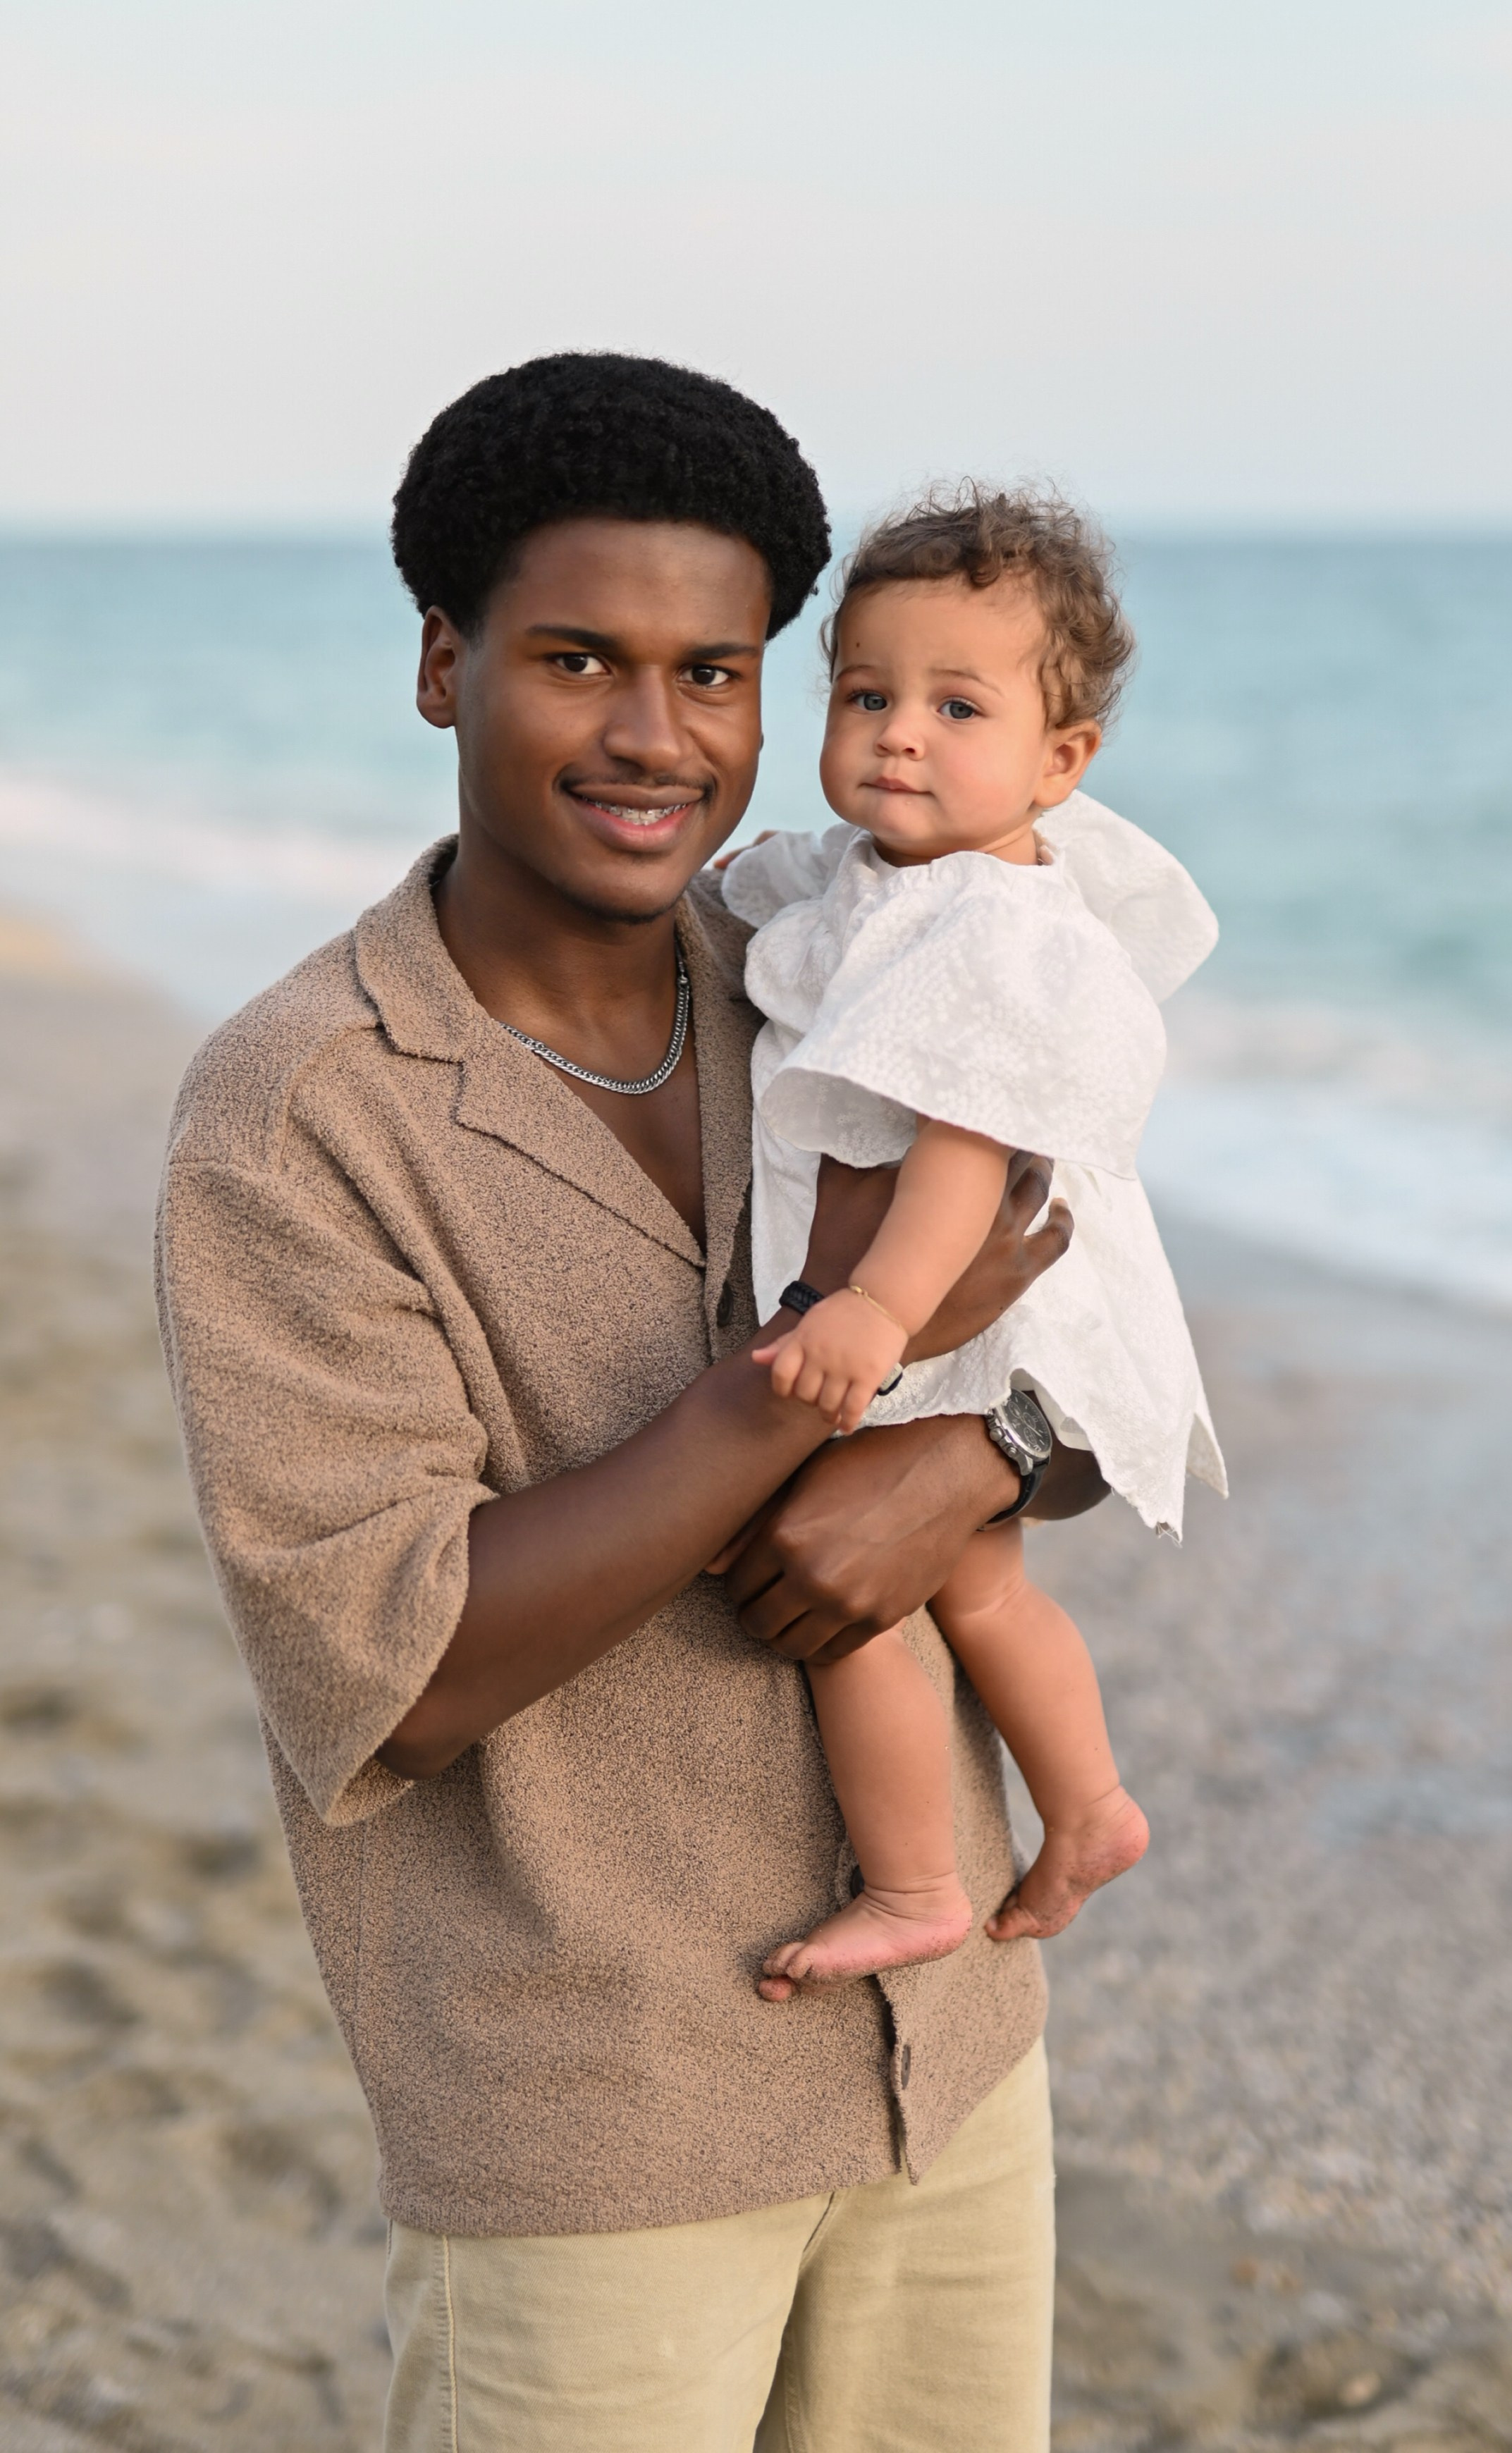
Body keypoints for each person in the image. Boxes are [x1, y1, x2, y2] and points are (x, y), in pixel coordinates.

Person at [155, 353, 1110, 2452]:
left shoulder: (837, 969)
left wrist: (989, 1451)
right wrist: (789, 1425)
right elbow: (396, 1667)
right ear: (443, 664)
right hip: (596, 2112)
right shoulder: (296, 1112)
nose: (655, 738)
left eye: (718, 672)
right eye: (580, 660)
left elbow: (1090, 1300)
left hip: (949, 2054)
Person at [720, 487, 1225, 2003]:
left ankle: (917, 1881)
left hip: (949, 1309)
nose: (899, 734)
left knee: (847, 1594)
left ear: (1059, 762)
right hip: (955, 1316)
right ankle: (1089, 1809)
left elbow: (964, 1147)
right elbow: (769, 902)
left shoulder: (1000, 930)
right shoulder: (882, 878)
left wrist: (873, 1315)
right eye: (866, 695)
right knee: (985, 1588)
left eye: (956, 705)